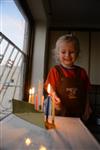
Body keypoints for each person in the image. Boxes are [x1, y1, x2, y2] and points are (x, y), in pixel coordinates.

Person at [44, 34, 92, 122]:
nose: (67, 55)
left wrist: (87, 107)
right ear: (58, 54)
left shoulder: (82, 72)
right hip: (60, 113)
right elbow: (50, 89)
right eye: (63, 52)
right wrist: (54, 97)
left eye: (72, 52)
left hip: (79, 114)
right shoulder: (55, 71)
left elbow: (87, 92)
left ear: (77, 53)